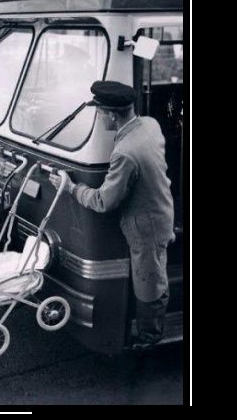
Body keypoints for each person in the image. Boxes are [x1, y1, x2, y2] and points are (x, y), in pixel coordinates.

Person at [49, 81, 175, 348]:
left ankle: (149, 338)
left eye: (99, 112)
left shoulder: (125, 153)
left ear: (112, 115)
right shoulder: (149, 125)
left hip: (147, 227)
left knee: (150, 283)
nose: (98, 116)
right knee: (149, 275)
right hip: (159, 212)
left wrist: (71, 188)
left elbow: (104, 201)